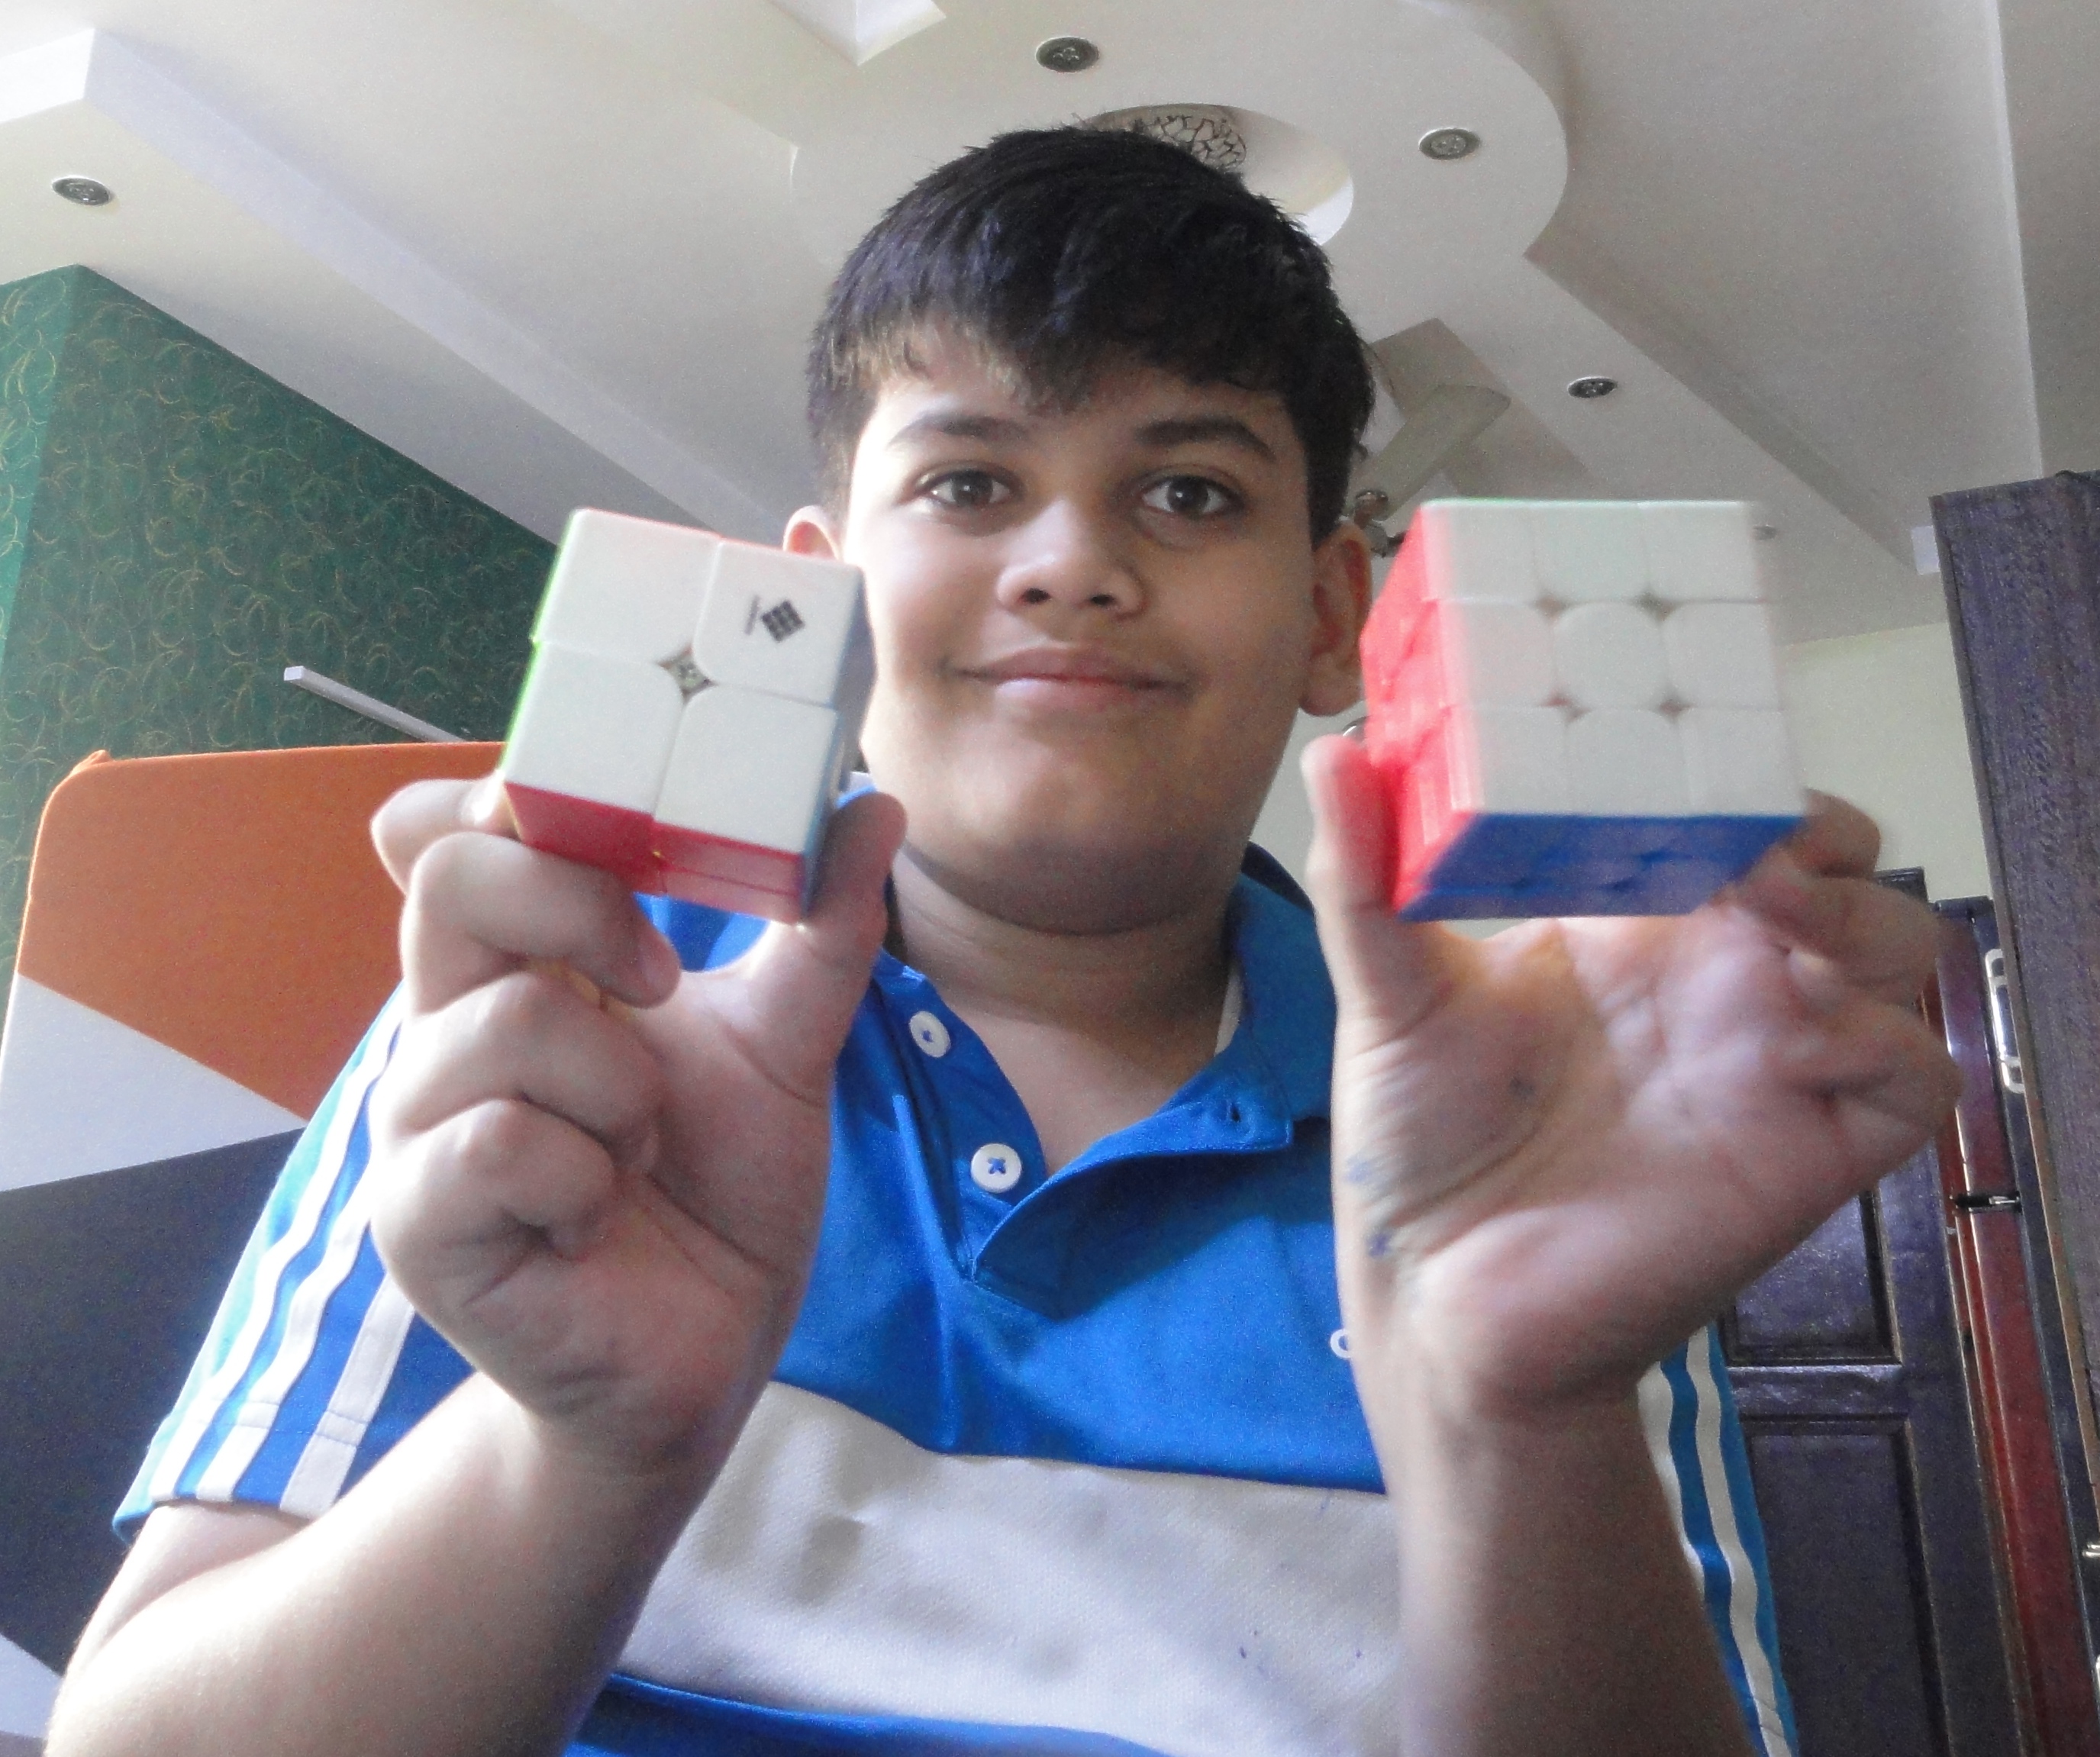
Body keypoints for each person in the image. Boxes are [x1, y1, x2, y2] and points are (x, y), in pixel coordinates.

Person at [46, 127, 1954, 1757]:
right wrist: (579, 1445)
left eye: (1187, 490)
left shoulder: (1507, 1101)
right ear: (823, 597)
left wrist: (1501, 1412)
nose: (1069, 562)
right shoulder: (557, 1015)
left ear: (1329, 614)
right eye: (968, 482)